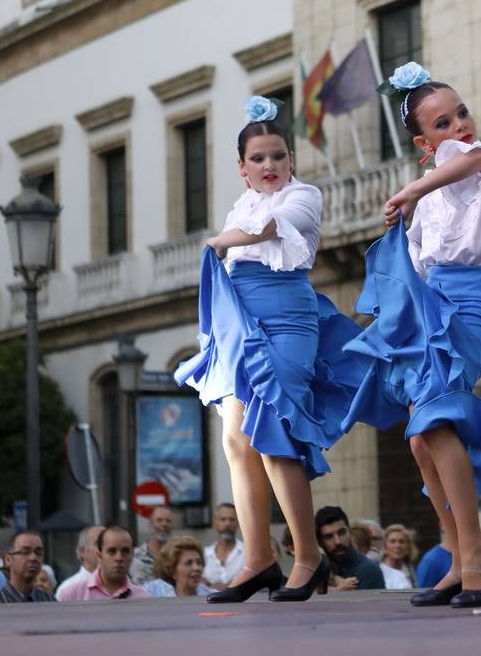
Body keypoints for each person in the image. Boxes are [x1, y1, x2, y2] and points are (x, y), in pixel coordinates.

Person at [176, 96, 364, 604]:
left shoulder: (303, 196)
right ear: (243, 168)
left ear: (291, 160)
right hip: (242, 318)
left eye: (278, 156)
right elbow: (245, 235)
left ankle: (308, 556)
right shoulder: (243, 204)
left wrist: (219, 240)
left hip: (287, 319)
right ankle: (259, 559)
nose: (269, 166)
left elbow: (268, 230)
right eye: (258, 159)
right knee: (236, 441)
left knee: (274, 432)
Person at [342, 63, 481, 609]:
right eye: (443, 123)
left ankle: (475, 558)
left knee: (438, 421)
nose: (461, 125)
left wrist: (413, 188)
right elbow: (415, 268)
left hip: (469, 303)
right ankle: (458, 549)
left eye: (461, 112)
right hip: (429, 305)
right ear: (422, 140)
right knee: (419, 438)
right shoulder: (429, 201)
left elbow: (473, 160)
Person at [57, 526, 151, 601]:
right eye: (112, 551)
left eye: (125, 551)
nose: (119, 558)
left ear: (132, 556)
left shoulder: (143, 597)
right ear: (99, 556)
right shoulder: (71, 595)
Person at [318, 506, 385, 591]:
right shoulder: (316, 569)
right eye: (329, 536)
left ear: (349, 532)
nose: (337, 541)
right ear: (320, 541)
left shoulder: (369, 571)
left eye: (342, 533)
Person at [0, 530, 56, 603]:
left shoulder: (49, 601)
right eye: (25, 552)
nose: (33, 558)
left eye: (38, 553)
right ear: (8, 560)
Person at [145, 535, 215, 597]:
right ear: (172, 571)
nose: (196, 568)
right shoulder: (152, 593)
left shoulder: (213, 597)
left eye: (199, 562)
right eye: (189, 563)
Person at [202, 503, 246, 590]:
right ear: (214, 522)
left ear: (238, 522)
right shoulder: (203, 554)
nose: (227, 523)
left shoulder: (248, 552)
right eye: (223, 519)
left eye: (232, 519)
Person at [56, 524, 103, 600]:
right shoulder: (67, 589)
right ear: (82, 551)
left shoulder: (123, 585)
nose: (105, 549)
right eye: (99, 544)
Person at [131, 505, 175, 584]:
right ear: (150, 524)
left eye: (168, 521)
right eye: (159, 520)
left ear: (172, 526)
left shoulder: (177, 556)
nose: (164, 524)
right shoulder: (135, 555)